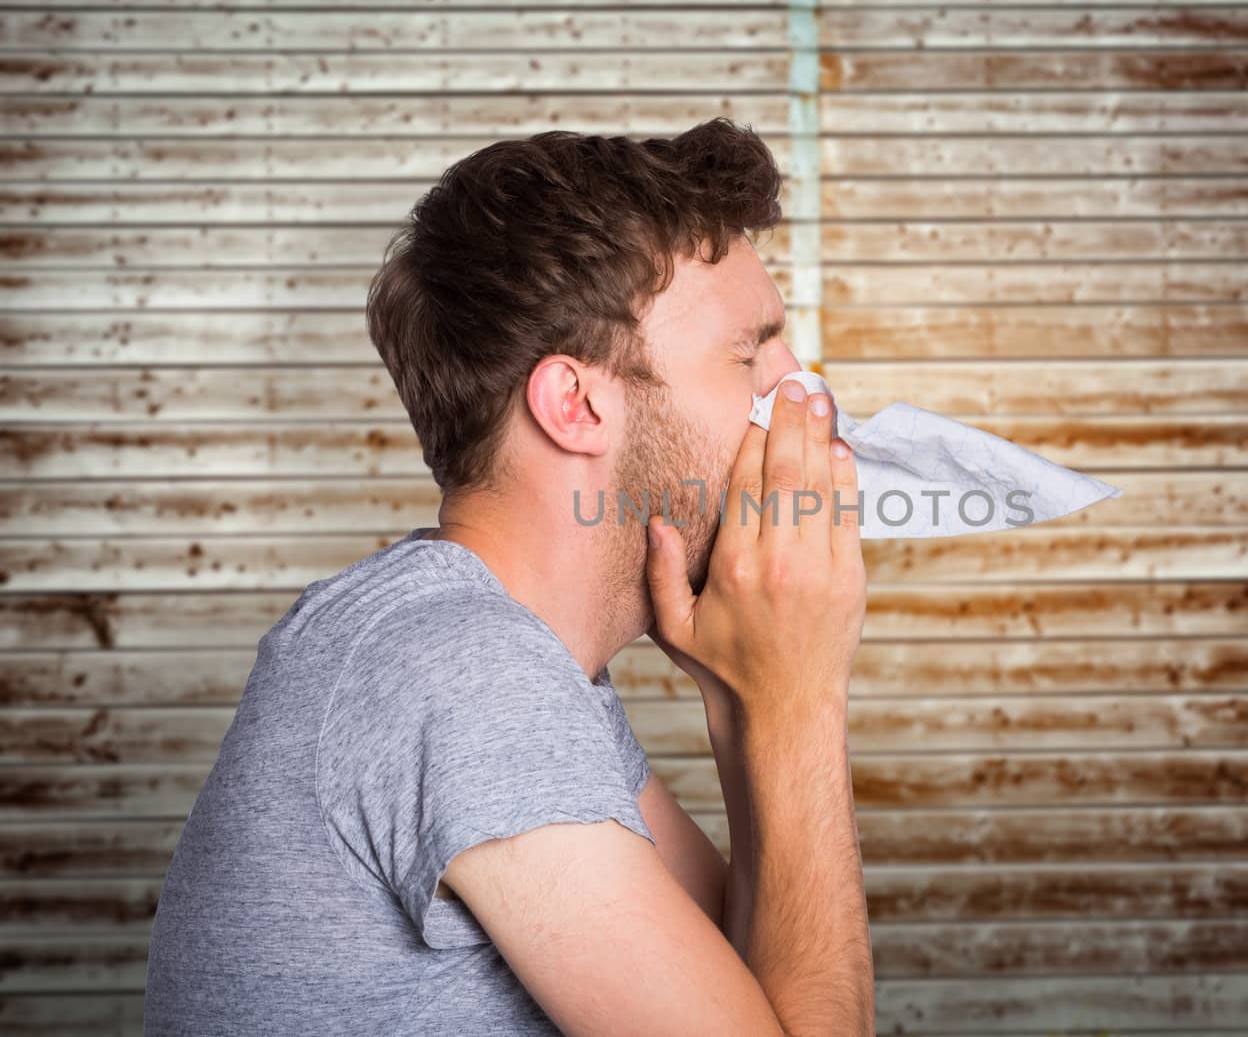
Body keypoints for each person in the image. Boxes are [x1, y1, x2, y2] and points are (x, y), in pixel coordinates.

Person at [143, 118, 874, 1035]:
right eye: (750, 354)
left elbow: (754, 980)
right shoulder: (458, 669)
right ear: (576, 403)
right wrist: (802, 699)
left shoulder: (497, 655)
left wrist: (748, 700)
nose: (802, 397)